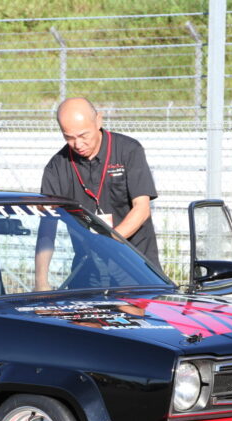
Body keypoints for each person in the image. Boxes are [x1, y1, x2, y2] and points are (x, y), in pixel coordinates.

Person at [37, 97, 161, 287]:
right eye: (69, 137)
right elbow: (47, 225)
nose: (78, 144)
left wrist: (107, 243)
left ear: (98, 121)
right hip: (88, 272)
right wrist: (41, 281)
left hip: (136, 270)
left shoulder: (129, 151)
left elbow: (142, 209)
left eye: (83, 135)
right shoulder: (57, 167)